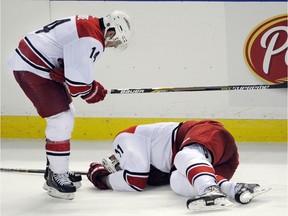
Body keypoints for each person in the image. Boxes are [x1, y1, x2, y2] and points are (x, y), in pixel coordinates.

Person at [6, 10, 133, 200]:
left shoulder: (87, 23)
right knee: (61, 119)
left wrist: (70, 77)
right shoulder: (92, 38)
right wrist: (93, 91)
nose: (113, 45)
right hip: (33, 68)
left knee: (66, 113)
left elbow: (68, 62)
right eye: (116, 41)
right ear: (112, 30)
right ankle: (56, 177)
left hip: (33, 63)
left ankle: (56, 170)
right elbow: (78, 86)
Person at [87, 120, 265, 211]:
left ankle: (209, 189)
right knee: (176, 181)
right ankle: (236, 189)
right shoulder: (155, 164)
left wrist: (103, 178)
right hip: (211, 164)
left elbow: (135, 181)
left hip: (207, 132)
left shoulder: (124, 138)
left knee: (184, 155)